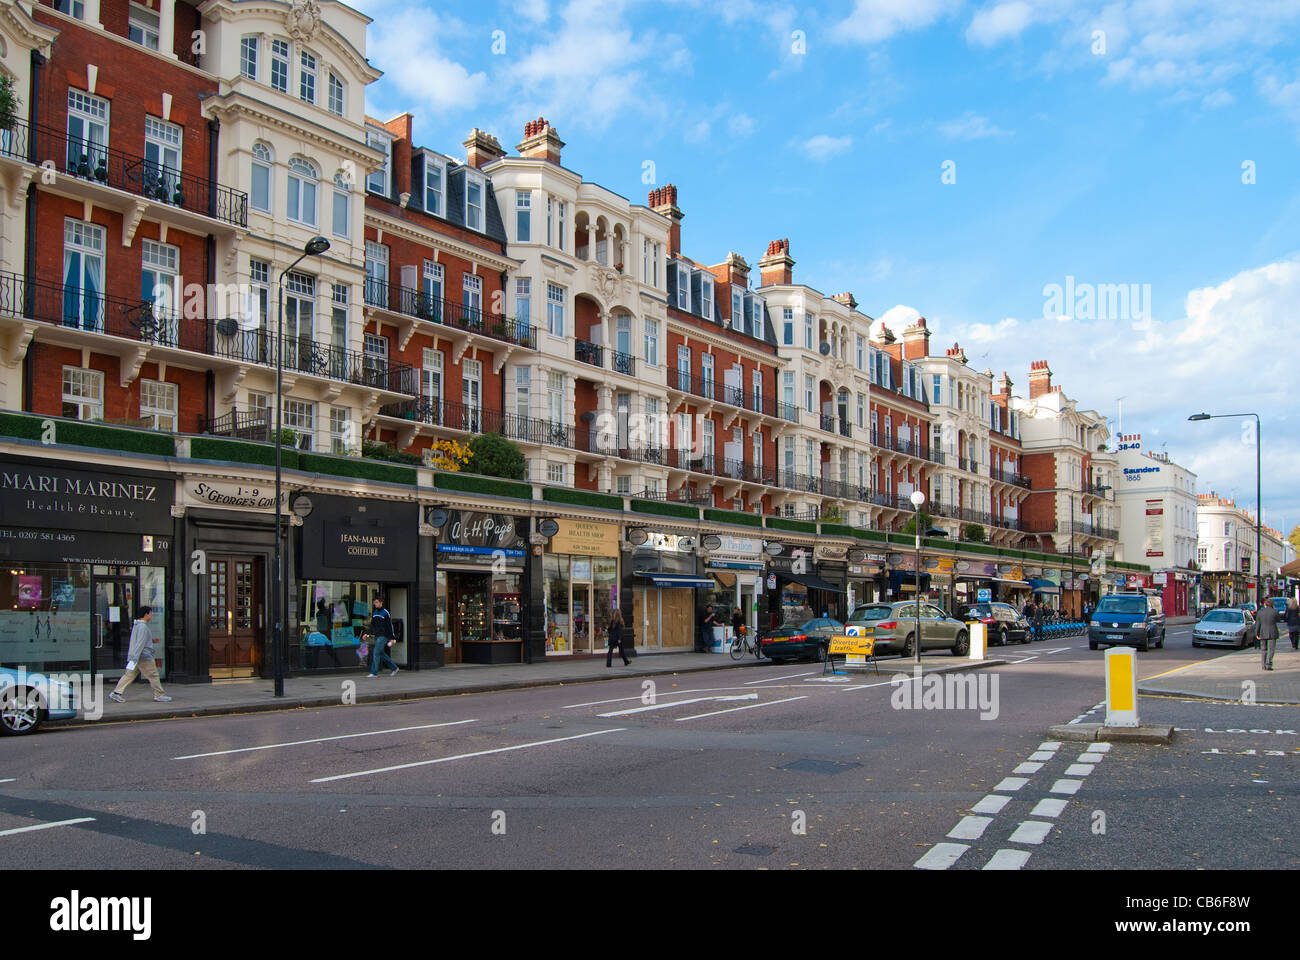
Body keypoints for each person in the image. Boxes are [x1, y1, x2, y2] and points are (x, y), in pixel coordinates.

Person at [107, 607, 171, 703]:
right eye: (150, 613)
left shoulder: (136, 626)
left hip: (136, 656)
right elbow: (140, 643)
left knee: (129, 675)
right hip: (143, 656)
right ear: (146, 614)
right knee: (153, 675)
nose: (151, 616)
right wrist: (135, 657)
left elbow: (139, 641)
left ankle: (116, 693)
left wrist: (151, 641)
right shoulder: (143, 627)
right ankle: (159, 695)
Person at [366, 596, 399, 677]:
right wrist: (367, 633)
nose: (375, 604)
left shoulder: (385, 613)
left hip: (383, 636)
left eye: (376, 602)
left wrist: (392, 638)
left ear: (381, 603)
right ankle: (394, 668)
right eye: (374, 603)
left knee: (376, 652)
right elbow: (372, 625)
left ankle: (374, 673)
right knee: (381, 653)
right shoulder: (375, 613)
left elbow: (389, 626)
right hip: (377, 635)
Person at [1255, 599, 1279, 670]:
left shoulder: (1260, 612)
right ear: (1272, 605)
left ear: (1265, 604)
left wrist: (1257, 633)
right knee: (1271, 649)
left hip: (1262, 632)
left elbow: (1258, 624)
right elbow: (1278, 619)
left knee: (1263, 649)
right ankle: (1269, 664)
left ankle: (1263, 665)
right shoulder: (1274, 611)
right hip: (1272, 632)